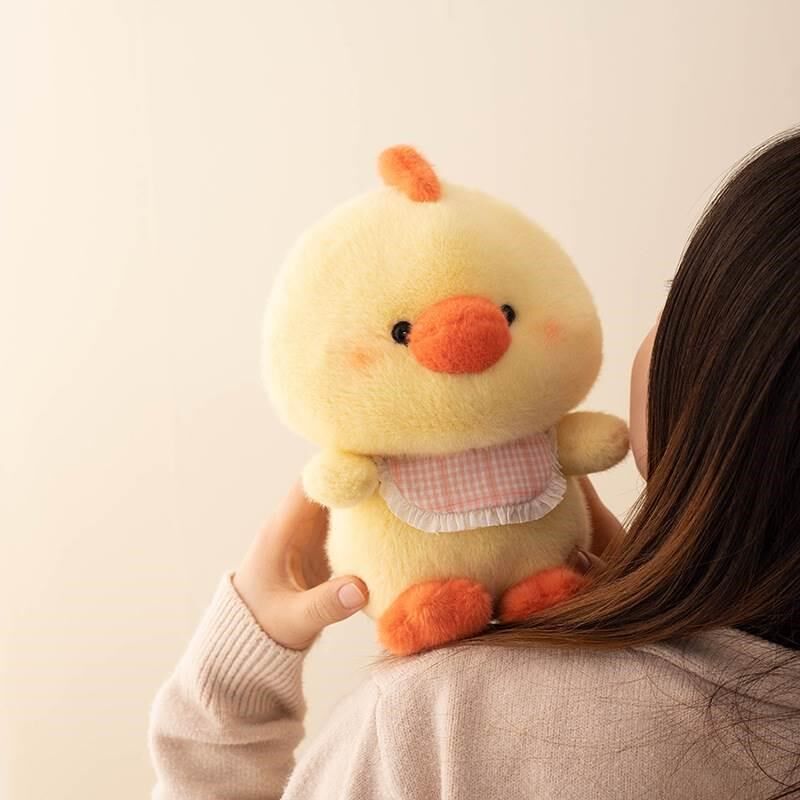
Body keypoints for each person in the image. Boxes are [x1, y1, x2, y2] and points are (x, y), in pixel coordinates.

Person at [148, 130, 800, 799]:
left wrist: (233, 690)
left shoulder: (443, 722)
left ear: (733, 384)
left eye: (679, 298)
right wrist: (650, 581)